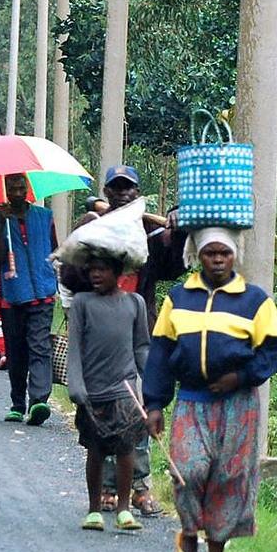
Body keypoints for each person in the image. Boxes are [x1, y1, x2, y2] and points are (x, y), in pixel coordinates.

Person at [143, 229, 277, 552]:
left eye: (224, 253)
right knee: (187, 470)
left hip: (238, 404)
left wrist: (240, 376)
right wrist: (155, 403)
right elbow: (160, 352)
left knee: (229, 477)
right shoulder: (178, 298)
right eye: (210, 254)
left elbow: (273, 350)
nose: (218, 260)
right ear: (198, 256)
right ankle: (190, 532)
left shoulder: (255, 301)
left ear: (234, 255)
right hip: (192, 399)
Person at [64, 163, 188, 516]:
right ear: (106, 193)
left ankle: (139, 487)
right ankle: (105, 487)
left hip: (138, 331)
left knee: (138, 409)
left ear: (137, 193)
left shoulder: (149, 231)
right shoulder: (91, 227)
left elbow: (173, 266)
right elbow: (70, 275)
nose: (122, 193)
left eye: (128, 188)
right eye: (115, 188)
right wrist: (93, 258)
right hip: (99, 337)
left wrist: (177, 230)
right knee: (100, 411)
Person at [67, 253, 151, 532]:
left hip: (124, 388)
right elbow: (76, 347)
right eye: (92, 270)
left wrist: (150, 384)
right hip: (93, 390)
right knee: (96, 449)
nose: (96, 275)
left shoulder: (134, 303)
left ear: (119, 273)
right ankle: (94, 509)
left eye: (102, 270)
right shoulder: (82, 303)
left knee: (126, 448)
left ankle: (124, 508)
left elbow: (141, 346)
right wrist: (76, 385)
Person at [0, 173, 60, 424]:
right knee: (16, 352)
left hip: (42, 294)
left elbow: (54, 248)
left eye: (21, 187)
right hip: (13, 296)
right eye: (12, 188)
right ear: (5, 191)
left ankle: (39, 400)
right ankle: (18, 402)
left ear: (28, 189)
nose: (17, 192)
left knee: (40, 346)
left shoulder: (44, 217)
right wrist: (3, 227)